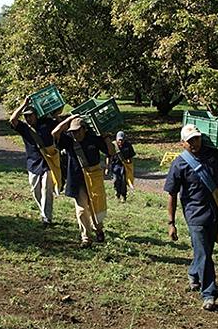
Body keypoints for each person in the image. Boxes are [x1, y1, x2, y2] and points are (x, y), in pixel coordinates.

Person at [164, 114, 218, 311]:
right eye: (191, 141)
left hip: (214, 210)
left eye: (197, 139)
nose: (195, 143)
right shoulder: (179, 164)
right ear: (183, 143)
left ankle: (193, 273)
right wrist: (171, 223)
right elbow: (171, 194)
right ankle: (209, 294)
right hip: (194, 214)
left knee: (205, 251)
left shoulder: (212, 153)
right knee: (204, 254)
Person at [52, 114, 116, 248]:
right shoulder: (69, 140)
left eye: (78, 131)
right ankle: (86, 238)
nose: (75, 134)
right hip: (76, 179)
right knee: (81, 210)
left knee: (95, 207)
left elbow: (111, 151)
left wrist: (105, 137)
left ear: (84, 129)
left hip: (94, 178)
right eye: (73, 131)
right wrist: (68, 120)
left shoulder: (93, 139)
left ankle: (98, 229)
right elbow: (55, 133)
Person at [9, 96, 61, 228]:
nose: (28, 118)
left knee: (46, 189)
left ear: (36, 115)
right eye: (26, 116)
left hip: (48, 162)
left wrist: (56, 116)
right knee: (35, 191)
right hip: (33, 163)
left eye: (30, 115)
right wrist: (23, 105)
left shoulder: (46, 123)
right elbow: (13, 120)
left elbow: (60, 127)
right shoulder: (24, 128)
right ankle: (44, 213)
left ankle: (47, 218)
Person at [105, 131, 136, 203]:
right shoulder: (112, 145)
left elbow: (131, 157)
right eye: (119, 140)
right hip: (115, 165)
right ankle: (117, 192)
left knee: (123, 181)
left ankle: (124, 196)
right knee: (115, 180)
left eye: (122, 140)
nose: (120, 141)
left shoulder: (128, 146)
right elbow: (108, 157)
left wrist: (129, 165)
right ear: (116, 138)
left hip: (124, 166)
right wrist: (107, 167)